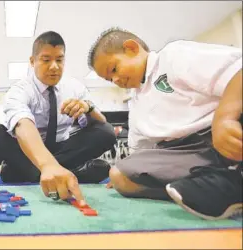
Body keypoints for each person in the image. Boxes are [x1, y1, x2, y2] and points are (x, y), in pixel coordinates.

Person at [88, 27, 242, 219]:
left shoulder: (172, 56)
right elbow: (139, 148)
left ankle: (226, 183)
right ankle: (208, 187)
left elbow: (237, 71)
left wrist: (225, 118)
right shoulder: (135, 101)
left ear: (131, 48)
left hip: (223, 132)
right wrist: (131, 169)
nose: (116, 80)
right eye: (110, 79)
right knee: (120, 176)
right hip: (187, 155)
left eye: (114, 69)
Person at [0, 31, 116, 205]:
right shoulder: (20, 90)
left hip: (63, 148)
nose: (54, 67)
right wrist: (46, 165)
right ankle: (72, 172)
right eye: (46, 60)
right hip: (27, 150)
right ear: (32, 61)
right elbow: (22, 125)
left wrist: (88, 108)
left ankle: (23, 172)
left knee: (106, 131)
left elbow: (100, 124)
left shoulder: (75, 87)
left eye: (59, 60)